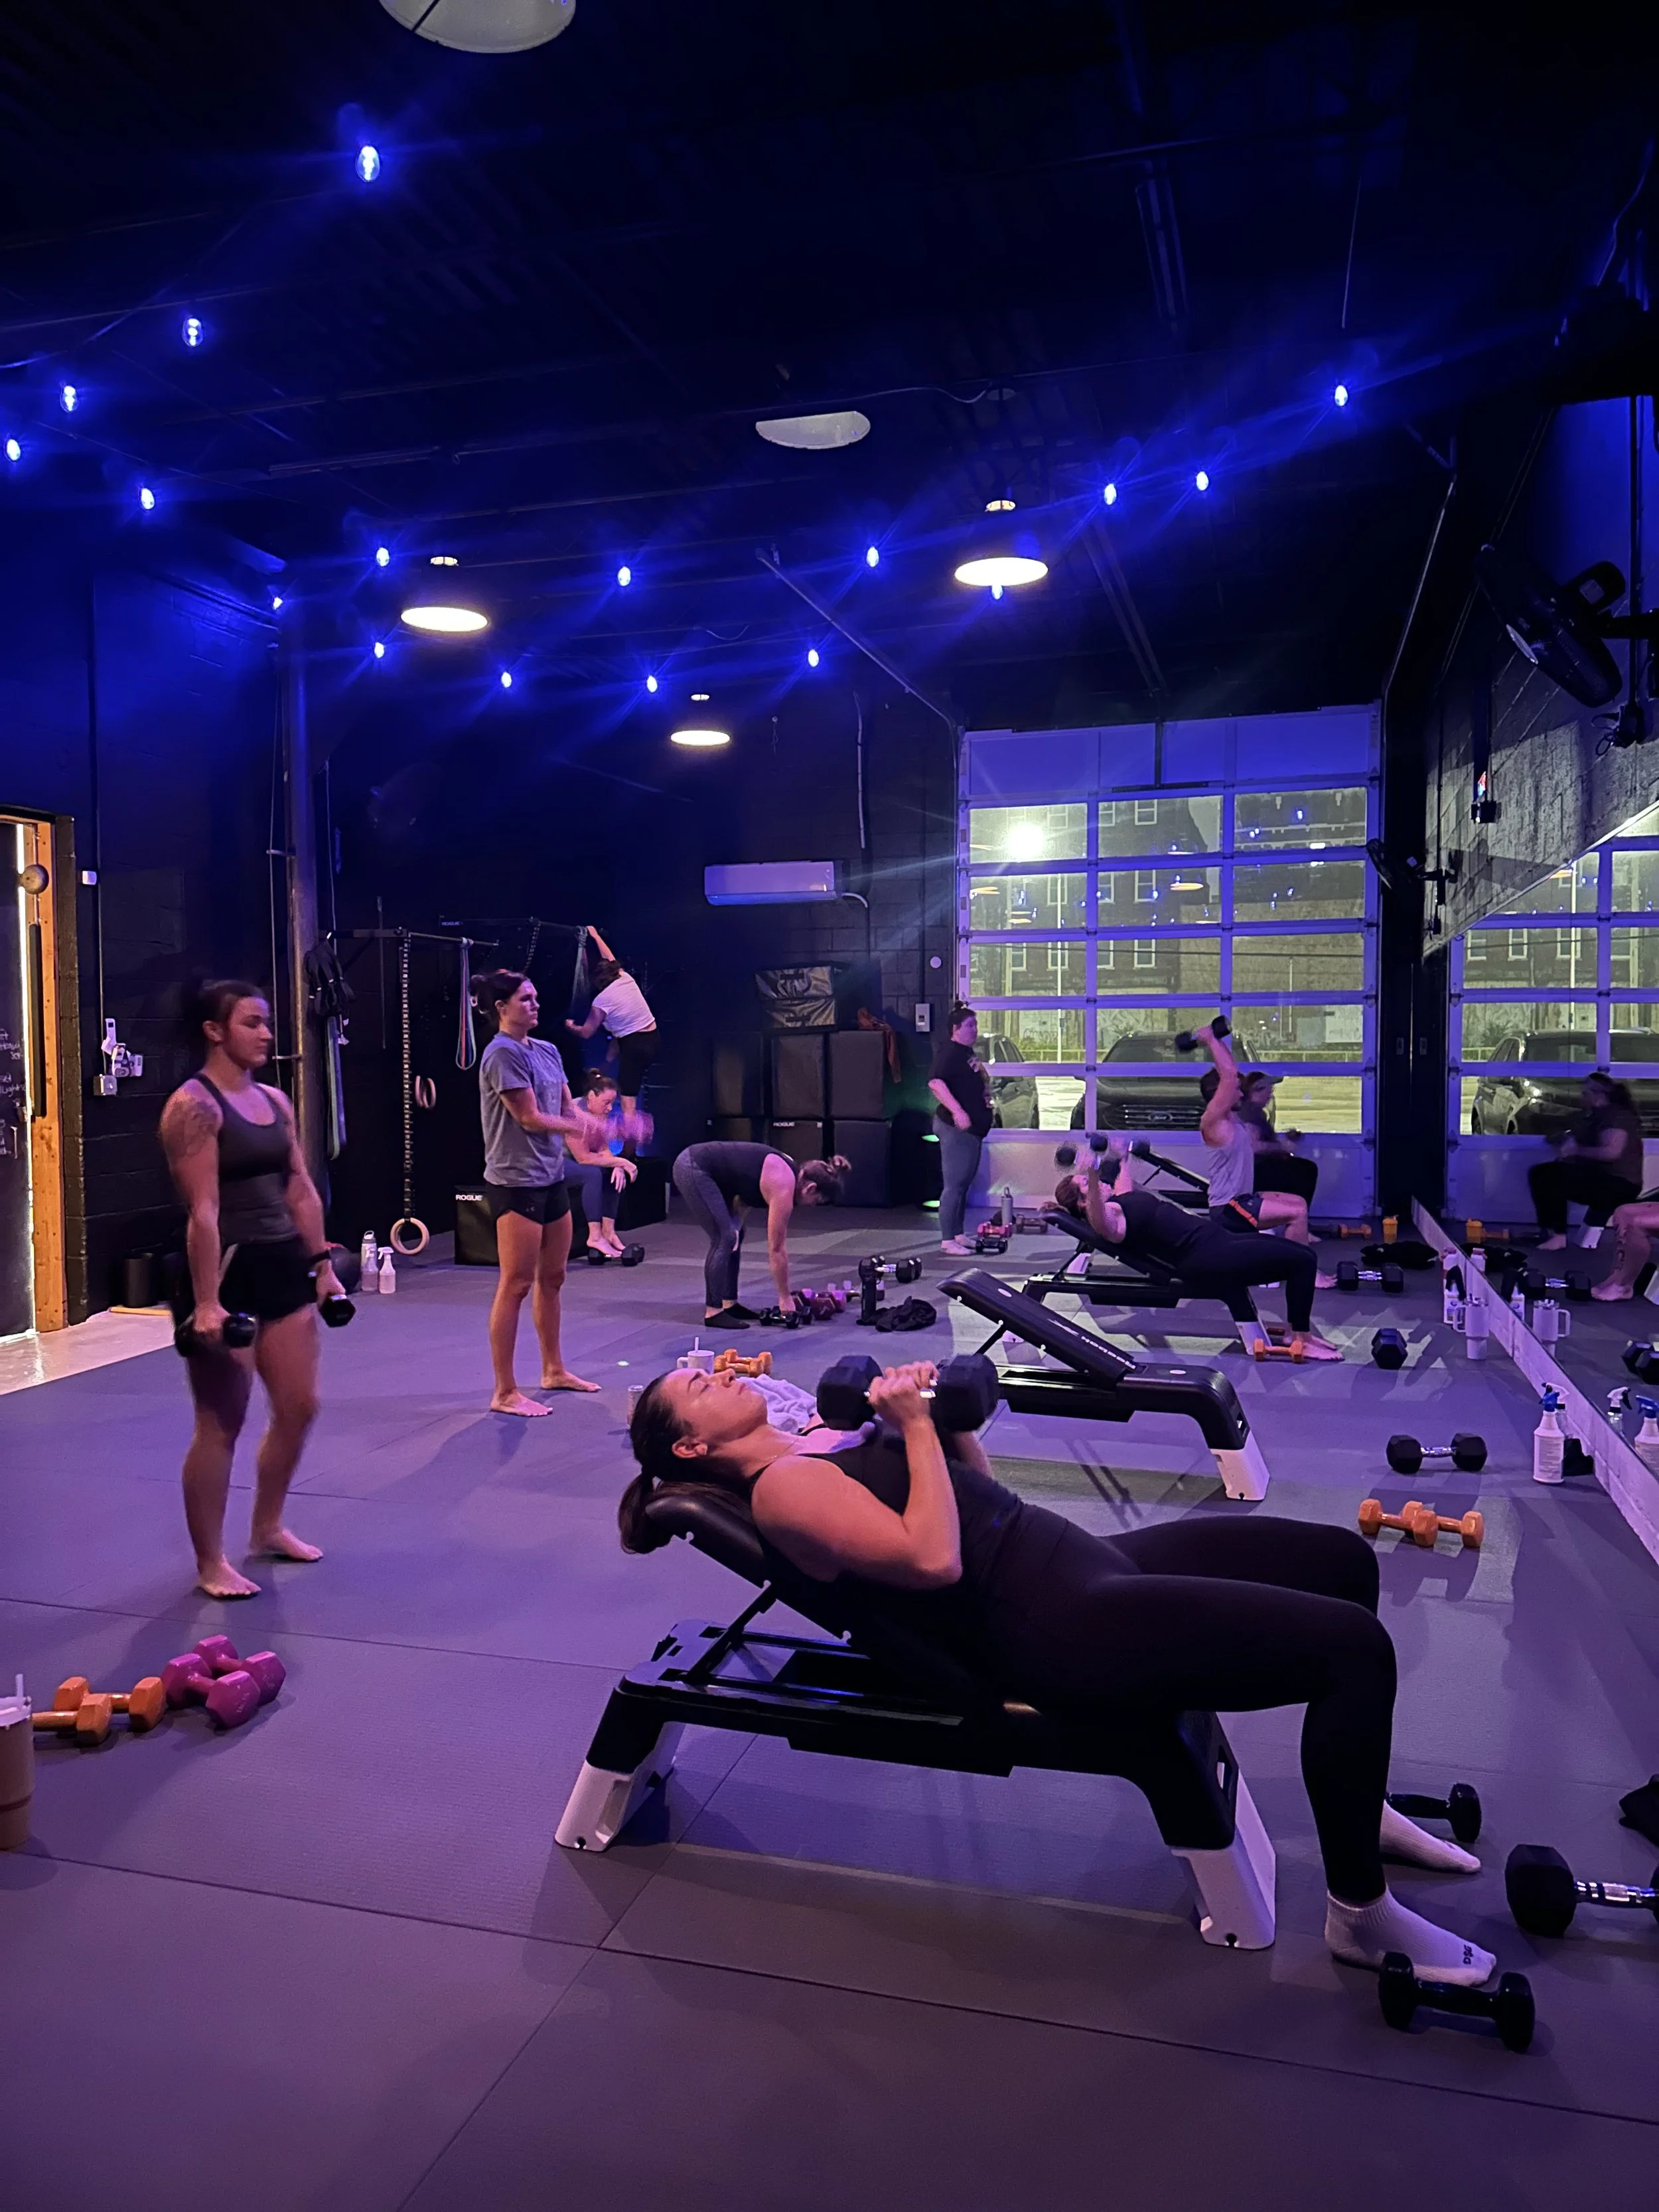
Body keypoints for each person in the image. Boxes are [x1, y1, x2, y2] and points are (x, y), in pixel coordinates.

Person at [619, 1360, 1494, 1986]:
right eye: (699, 1386)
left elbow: (973, 1491)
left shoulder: (817, 1440)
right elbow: (931, 1561)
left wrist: (946, 1421)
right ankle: (1359, 1915)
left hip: (1075, 1559)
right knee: (1352, 1650)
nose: (720, 1376)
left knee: (1341, 1562)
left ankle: (1361, 1811)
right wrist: (912, 1428)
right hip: (1060, 1626)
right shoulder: (783, 1489)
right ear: (689, 1448)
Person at [159, 980, 338, 1600]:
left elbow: (300, 1188)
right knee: (221, 1421)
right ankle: (211, 1561)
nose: (266, 1033)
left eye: (266, 1022)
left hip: (282, 1262)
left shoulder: (275, 1101)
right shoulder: (193, 1106)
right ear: (214, 1030)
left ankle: (267, 1527)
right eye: (252, 1023)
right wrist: (207, 1300)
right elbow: (203, 1210)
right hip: (226, 1269)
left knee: (300, 1405)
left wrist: (322, 1264)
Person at [476, 968, 640, 1416]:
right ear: (501, 1008)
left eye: (535, 997)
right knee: (516, 1284)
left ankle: (553, 1370)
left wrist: (613, 1127)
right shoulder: (501, 1054)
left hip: (550, 1176)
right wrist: (580, 1127)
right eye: (525, 999)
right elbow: (529, 1117)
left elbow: (569, 1108)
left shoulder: (547, 1051)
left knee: (553, 1278)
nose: (535, 1005)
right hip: (515, 1180)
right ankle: (504, 1391)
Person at [1054, 1148, 1341, 1358]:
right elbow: (1098, 1217)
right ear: (1083, 1203)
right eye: (1087, 1187)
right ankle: (1300, 1336)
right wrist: (1090, 1173)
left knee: (1300, 1257)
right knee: (1303, 1260)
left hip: (1220, 1242)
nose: (1099, 1184)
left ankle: (1298, 1333)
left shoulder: (1120, 1202)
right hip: (1209, 1257)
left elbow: (1124, 1187)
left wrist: (1123, 1155)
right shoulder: (1108, 1222)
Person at [1196, 1026, 1332, 1284]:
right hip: (1228, 1209)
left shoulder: (1232, 1118)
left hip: (1241, 1199)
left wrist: (1219, 1042)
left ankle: (1299, 1269)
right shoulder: (1214, 1122)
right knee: (1295, 1213)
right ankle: (1304, 1275)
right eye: (1237, 1089)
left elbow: (1231, 1073)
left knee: (1299, 1205)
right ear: (1220, 1095)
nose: (1242, 1093)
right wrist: (1211, 1039)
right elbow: (1228, 1075)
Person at [670, 1138, 849, 1329]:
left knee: (736, 1234)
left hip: (714, 1175)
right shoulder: (784, 1185)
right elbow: (776, 1249)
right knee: (725, 1237)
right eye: (817, 1200)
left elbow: (744, 1190)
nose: (813, 1205)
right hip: (694, 1167)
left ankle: (729, 1304)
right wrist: (785, 1299)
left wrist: (736, 1225)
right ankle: (713, 1312)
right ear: (810, 1188)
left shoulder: (792, 1174)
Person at [1529, 1072, 1644, 1252]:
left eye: (1585, 1093)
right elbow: (1569, 1134)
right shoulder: (1592, 1116)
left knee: (1548, 1176)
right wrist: (1562, 1139)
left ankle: (1558, 1236)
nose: (1582, 1096)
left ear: (1598, 1094)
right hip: (1603, 1178)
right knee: (1543, 1173)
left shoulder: (1617, 1116)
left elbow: (1612, 1152)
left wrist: (1576, 1150)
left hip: (1619, 1184)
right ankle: (1550, 1232)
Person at [565, 925, 658, 1118]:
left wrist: (571, 1026)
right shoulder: (625, 978)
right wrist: (595, 936)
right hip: (651, 1036)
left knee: (628, 1098)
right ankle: (605, 1066)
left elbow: (587, 1032)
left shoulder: (601, 1002)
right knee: (618, 1035)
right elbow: (609, 958)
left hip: (635, 1045)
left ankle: (630, 1137)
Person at [928, 1001, 993, 1256]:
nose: (975, 1030)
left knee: (963, 1185)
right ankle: (947, 1240)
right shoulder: (950, 1053)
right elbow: (935, 1083)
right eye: (970, 1025)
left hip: (972, 1131)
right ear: (955, 1029)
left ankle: (958, 1234)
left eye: (976, 1025)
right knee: (954, 1186)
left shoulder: (966, 1053)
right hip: (956, 1130)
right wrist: (958, 1111)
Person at [565, 1069, 637, 1260]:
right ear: (591, 1096)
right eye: (606, 1102)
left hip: (578, 1160)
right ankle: (595, 1236)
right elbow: (583, 1158)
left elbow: (602, 1148)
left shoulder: (600, 1114)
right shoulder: (574, 1112)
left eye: (612, 1103)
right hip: (556, 1162)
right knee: (592, 1174)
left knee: (612, 1173)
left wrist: (616, 1165)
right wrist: (620, 1161)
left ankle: (608, 1232)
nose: (610, 1108)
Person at [1236, 1070, 1319, 1209]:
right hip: (1257, 1169)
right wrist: (1281, 1147)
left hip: (1260, 1166)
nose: (1271, 1093)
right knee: (1306, 1171)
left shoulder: (1258, 1113)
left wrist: (1286, 1138)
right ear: (1256, 1090)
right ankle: (1295, 1212)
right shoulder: (1250, 1114)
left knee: (1304, 1169)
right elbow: (1253, 1146)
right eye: (1268, 1089)